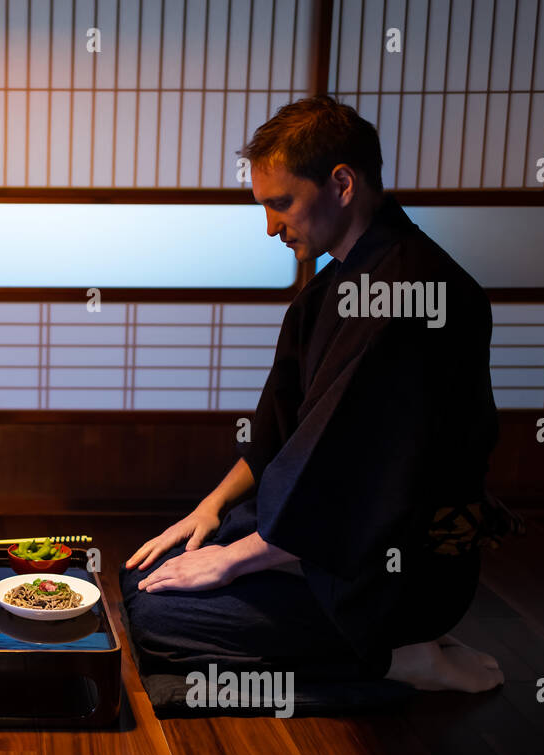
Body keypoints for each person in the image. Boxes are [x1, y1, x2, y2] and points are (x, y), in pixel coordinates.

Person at [120, 95, 516, 695]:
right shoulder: (335, 284)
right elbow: (280, 426)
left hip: (398, 568)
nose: (272, 227)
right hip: (326, 537)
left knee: (158, 618)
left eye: (281, 205)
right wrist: (210, 510)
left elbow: (361, 482)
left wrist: (231, 558)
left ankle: (396, 655)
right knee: (143, 575)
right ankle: (399, 643)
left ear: (342, 184)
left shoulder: (411, 296)